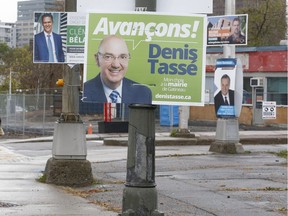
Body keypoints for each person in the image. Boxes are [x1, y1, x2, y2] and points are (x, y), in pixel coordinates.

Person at [83, 35, 152, 104]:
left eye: (122, 57)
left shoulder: (143, 94)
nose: (116, 65)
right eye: (108, 57)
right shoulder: (82, 92)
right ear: (97, 59)